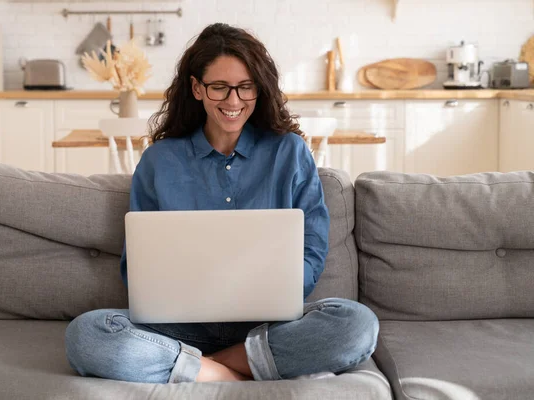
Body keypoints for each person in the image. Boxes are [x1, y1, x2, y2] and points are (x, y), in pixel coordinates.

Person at [65, 23, 379, 384]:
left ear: (259, 89)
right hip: (178, 326)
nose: (234, 101)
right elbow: (135, 266)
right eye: (220, 87)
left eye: (246, 87)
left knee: (357, 324)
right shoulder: (159, 161)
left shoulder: (289, 153)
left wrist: (275, 288)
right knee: (87, 334)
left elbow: (311, 249)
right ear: (197, 88)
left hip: (268, 325)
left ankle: (200, 366)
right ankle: (238, 370)